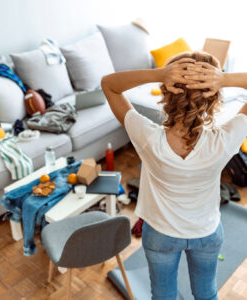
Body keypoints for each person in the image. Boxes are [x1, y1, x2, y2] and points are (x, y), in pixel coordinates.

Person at [101, 51, 247, 300]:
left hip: (160, 234)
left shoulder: (146, 136)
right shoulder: (224, 140)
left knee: (162, 295)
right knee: (206, 294)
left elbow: (109, 85)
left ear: (167, 92)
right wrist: (223, 79)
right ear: (212, 97)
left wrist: (158, 74)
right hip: (206, 233)